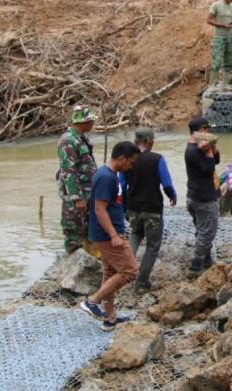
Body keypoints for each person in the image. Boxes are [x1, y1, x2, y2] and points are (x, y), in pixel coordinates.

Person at [79, 141, 140, 331]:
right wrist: (114, 235)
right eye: (131, 162)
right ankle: (92, 301)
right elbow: (99, 209)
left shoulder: (111, 174)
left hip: (109, 231)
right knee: (130, 271)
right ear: (122, 158)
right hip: (107, 234)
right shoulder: (106, 177)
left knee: (111, 273)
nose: (131, 166)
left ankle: (110, 318)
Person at [119, 128, 177, 291]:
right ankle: (142, 282)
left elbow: (122, 186)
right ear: (149, 141)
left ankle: (124, 274)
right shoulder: (157, 159)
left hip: (132, 207)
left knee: (135, 235)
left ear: (137, 141)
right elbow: (166, 184)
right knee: (152, 245)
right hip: (152, 208)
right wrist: (172, 195)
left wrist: (124, 208)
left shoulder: (127, 159)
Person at [57, 105, 98, 254]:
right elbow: (69, 171)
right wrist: (77, 198)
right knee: (73, 228)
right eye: (91, 121)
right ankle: (74, 260)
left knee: (88, 227)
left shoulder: (81, 138)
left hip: (88, 191)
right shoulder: (68, 141)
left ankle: (89, 255)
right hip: (77, 195)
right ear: (84, 122)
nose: (93, 124)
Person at [185, 116, 220, 276]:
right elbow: (208, 169)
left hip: (195, 196)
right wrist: (208, 152)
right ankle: (195, 264)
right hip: (203, 198)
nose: (209, 132)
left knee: (202, 230)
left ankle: (207, 260)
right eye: (207, 130)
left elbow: (216, 160)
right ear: (201, 131)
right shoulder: (193, 151)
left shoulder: (198, 147)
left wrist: (212, 148)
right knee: (207, 232)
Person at [207, 0, 232, 92]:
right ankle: (212, 85)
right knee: (217, 61)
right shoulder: (216, 5)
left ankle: (224, 84)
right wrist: (223, 25)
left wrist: (230, 27)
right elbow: (209, 20)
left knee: (229, 62)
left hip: (230, 38)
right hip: (219, 38)